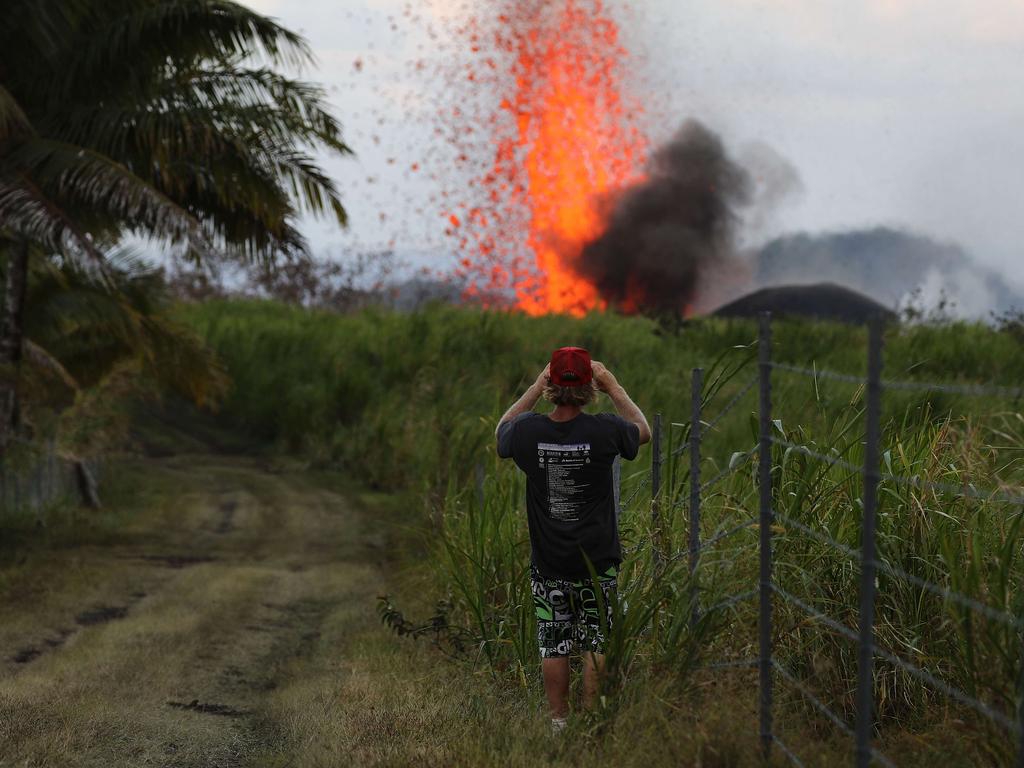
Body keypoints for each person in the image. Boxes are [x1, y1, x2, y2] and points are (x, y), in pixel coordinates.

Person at [495, 346, 651, 732]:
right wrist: (613, 386)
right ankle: (593, 720)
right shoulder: (606, 430)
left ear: (550, 384)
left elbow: (502, 432)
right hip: (597, 562)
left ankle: (559, 722)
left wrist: (533, 387)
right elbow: (643, 431)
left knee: (554, 642)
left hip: (549, 563)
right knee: (596, 642)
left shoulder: (528, 432)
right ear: (589, 387)